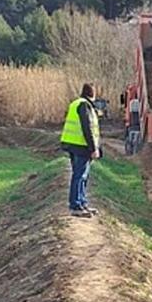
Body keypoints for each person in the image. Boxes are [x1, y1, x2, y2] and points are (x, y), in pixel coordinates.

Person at [59, 83, 101, 217]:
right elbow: (87, 127)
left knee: (81, 175)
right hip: (81, 146)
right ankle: (76, 205)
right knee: (80, 176)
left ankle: (82, 203)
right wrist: (93, 148)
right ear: (93, 94)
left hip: (72, 144)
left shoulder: (76, 103)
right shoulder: (85, 105)